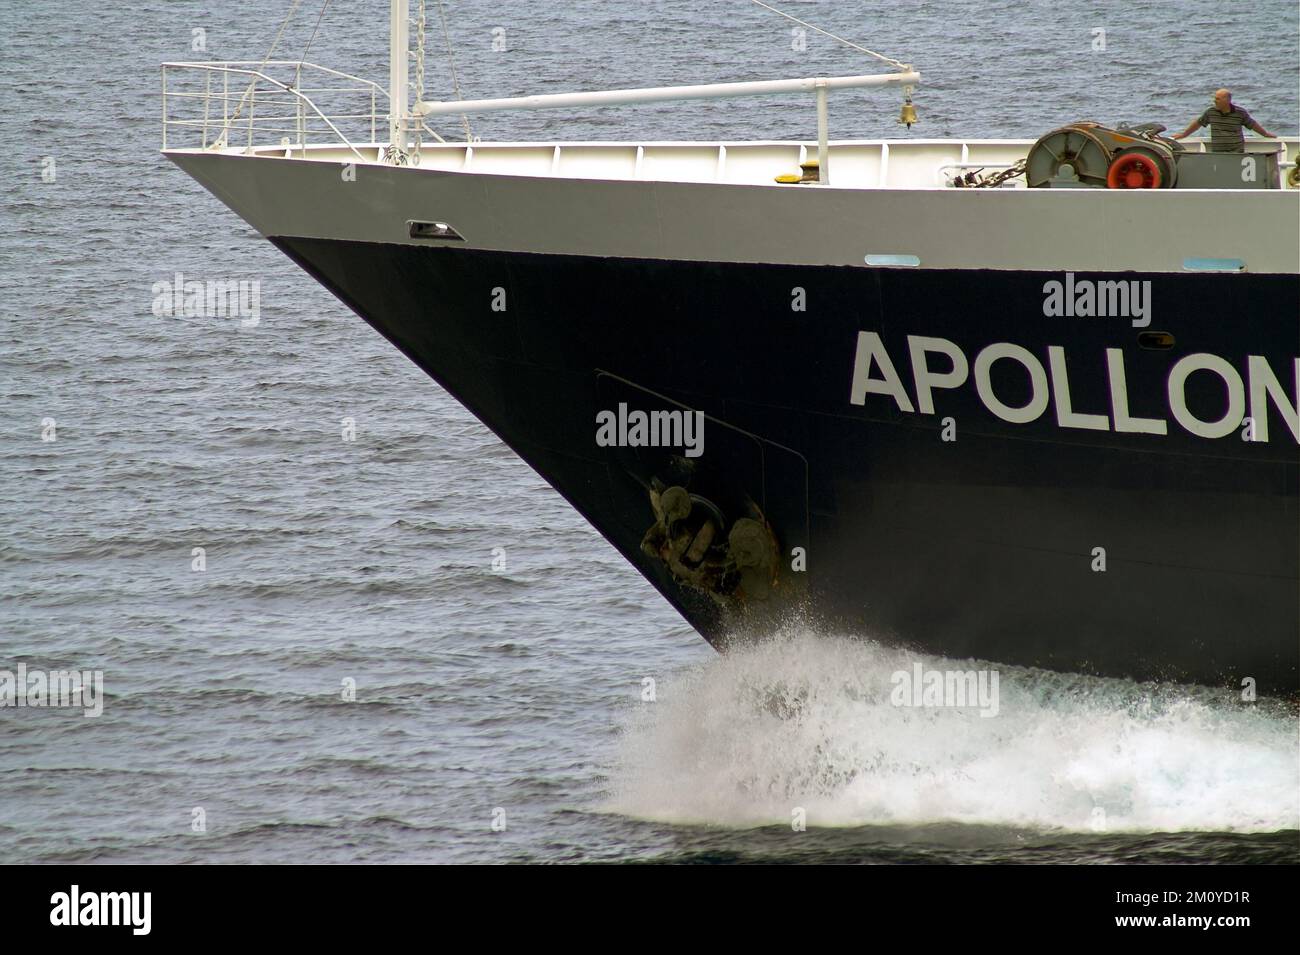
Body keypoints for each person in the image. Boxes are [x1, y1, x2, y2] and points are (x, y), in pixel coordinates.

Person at [1171, 89, 1275, 153]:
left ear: (1227, 100)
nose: (1214, 101)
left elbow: (1252, 124)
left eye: (1218, 99)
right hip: (1218, 152)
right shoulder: (1211, 112)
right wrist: (1184, 134)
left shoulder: (1240, 112)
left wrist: (1265, 134)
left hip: (1236, 152)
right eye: (1215, 98)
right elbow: (1198, 123)